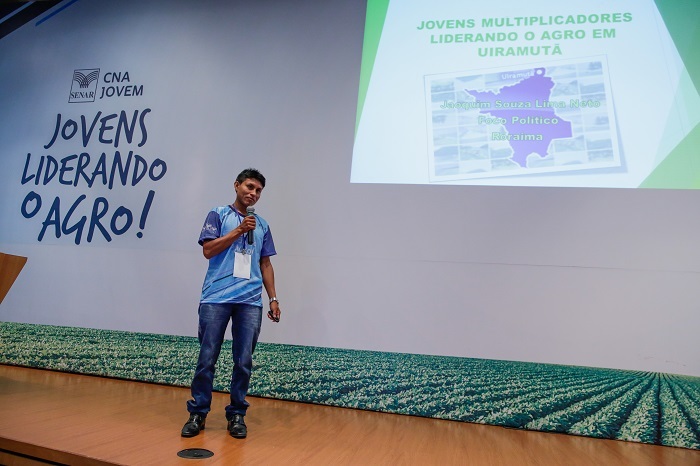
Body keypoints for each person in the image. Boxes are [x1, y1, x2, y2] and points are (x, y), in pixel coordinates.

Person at [181, 168, 281, 439]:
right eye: (250, 187)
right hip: (216, 298)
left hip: (250, 302)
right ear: (236, 185)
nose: (254, 193)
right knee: (207, 358)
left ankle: (237, 414)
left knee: (244, 361)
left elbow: (265, 262)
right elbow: (208, 250)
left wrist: (272, 298)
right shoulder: (218, 214)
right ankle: (198, 413)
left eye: (259, 190)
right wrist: (238, 230)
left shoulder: (262, 225)